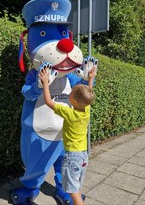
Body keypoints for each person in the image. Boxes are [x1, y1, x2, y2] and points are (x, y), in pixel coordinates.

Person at [38, 66, 96, 205]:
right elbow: (88, 93)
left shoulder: (69, 113)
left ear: (74, 101)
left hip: (73, 156)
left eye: (71, 94)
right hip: (83, 156)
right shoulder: (86, 110)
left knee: (71, 190)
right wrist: (91, 78)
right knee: (76, 185)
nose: (68, 94)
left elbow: (48, 101)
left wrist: (45, 82)